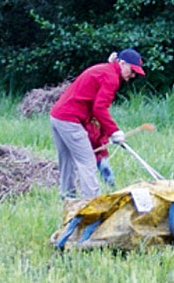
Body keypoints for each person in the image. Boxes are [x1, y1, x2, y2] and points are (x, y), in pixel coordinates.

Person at [49, 48, 145, 199]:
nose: (132, 75)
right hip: (69, 119)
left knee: (67, 161)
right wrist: (114, 131)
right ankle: (92, 204)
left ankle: (68, 199)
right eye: (132, 70)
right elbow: (99, 108)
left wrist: (106, 138)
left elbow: (94, 115)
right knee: (87, 162)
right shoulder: (111, 77)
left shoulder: (105, 70)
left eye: (135, 73)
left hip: (57, 116)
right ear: (121, 63)